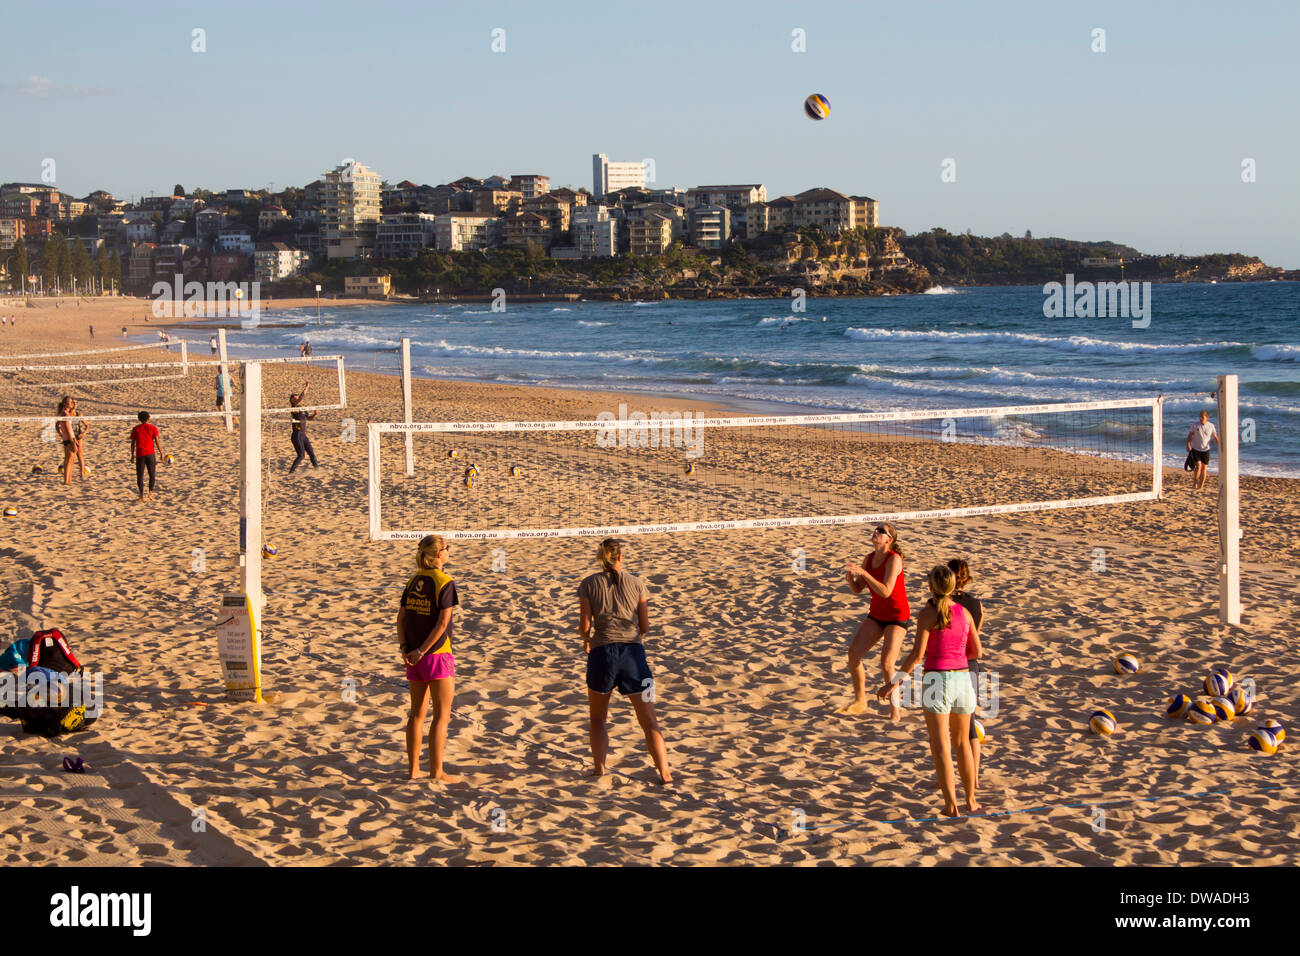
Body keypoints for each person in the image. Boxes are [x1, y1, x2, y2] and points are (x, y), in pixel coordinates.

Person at [880, 565, 982, 817]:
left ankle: (951, 806)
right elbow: (977, 653)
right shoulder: (965, 614)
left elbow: (916, 656)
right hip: (962, 679)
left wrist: (893, 683)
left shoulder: (927, 614)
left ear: (931, 587)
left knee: (941, 747)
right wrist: (956, 657)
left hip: (937, 679)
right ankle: (971, 801)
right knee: (963, 745)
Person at [579, 538, 672, 784]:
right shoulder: (637, 583)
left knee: (598, 718)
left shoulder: (589, 583)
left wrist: (586, 639)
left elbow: (585, 625)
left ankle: (599, 769)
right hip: (633, 654)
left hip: (602, 654)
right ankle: (665, 774)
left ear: (601, 557)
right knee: (649, 720)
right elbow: (645, 626)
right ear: (620, 556)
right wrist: (634, 638)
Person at [397, 535, 460, 782]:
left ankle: (413, 771)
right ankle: (437, 771)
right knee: (442, 715)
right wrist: (423, 650)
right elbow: (443, 623)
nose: (448, 551)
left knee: (416, 714)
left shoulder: (414, 580)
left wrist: (405, 648)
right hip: (435, 653)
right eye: (447, 548)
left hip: (412, 655)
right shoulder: (444, 581)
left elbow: (400, 619)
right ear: (438, 555)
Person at [839, 522, 910, 719]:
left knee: (887, 663)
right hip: (877, 615)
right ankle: (860, 700)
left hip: (897, 616)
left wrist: (864, 573)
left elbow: (886, 591)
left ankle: (895, 713)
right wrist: (851, 580)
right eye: (876, 529)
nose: (876, 532)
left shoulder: (894, 559)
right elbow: (858, 589)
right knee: (853, 654)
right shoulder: (869, 558)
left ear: (890, 540)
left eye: (881, 531)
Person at [946, 558, 986, 787]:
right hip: (970, 665)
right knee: (969, 724)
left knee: (947, 725)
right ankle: (975, 776)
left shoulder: (942, 604)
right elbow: (975, 638)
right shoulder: (978, 604)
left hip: (949, 665)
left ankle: (950, 774)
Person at [128, 410, 163, 502]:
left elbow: (132, 444)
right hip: (151, 454)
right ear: (148, 418)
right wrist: (161, 453)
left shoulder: (136, 429)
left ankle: (141, 495)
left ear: (139, 419)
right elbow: (157, 442)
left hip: (140, 454)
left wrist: (132, 455)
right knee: (152, 475)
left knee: (140, 476)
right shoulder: (153, 428)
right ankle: (150, 493)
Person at [288, 385, 319, 472]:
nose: (296, 399)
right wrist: (307, 387)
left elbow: (308, 418)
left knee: (312, 453)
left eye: (296, 397)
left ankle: (317, 469)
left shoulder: (303, 409)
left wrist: (314, 414)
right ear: (292, 401)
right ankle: (291, 472)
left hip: (303, 434)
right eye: (294, 398)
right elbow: (301, 398)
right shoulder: (294, 408)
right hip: (296, 434)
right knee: (301, 455)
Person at [1186, 410, 1219, 492]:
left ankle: (1201, 486)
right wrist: (1188, 444)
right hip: (1196, 449)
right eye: (1200, 417)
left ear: (1207, 418)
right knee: (1198, 466)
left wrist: (1220, 445)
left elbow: (1214, 437)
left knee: (1204, 468)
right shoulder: (1195, 425)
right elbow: (1190, 435)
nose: (1201, 419)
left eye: (1202, 417)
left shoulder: (1211, 426)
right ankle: (1195, 481)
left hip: (1206, 450)